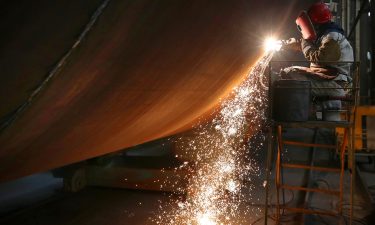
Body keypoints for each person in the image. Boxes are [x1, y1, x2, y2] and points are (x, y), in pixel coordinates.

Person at [281, 2, 354, 111]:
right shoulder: (326, 35)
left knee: (290, 73)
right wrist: (291, 44)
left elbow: (320, 57)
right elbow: (315, 46)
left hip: (334, 83)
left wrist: (304, 44)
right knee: (291, 72)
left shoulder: (332, 38)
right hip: (327, 80)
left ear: (313, 23)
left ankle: (301, 115)